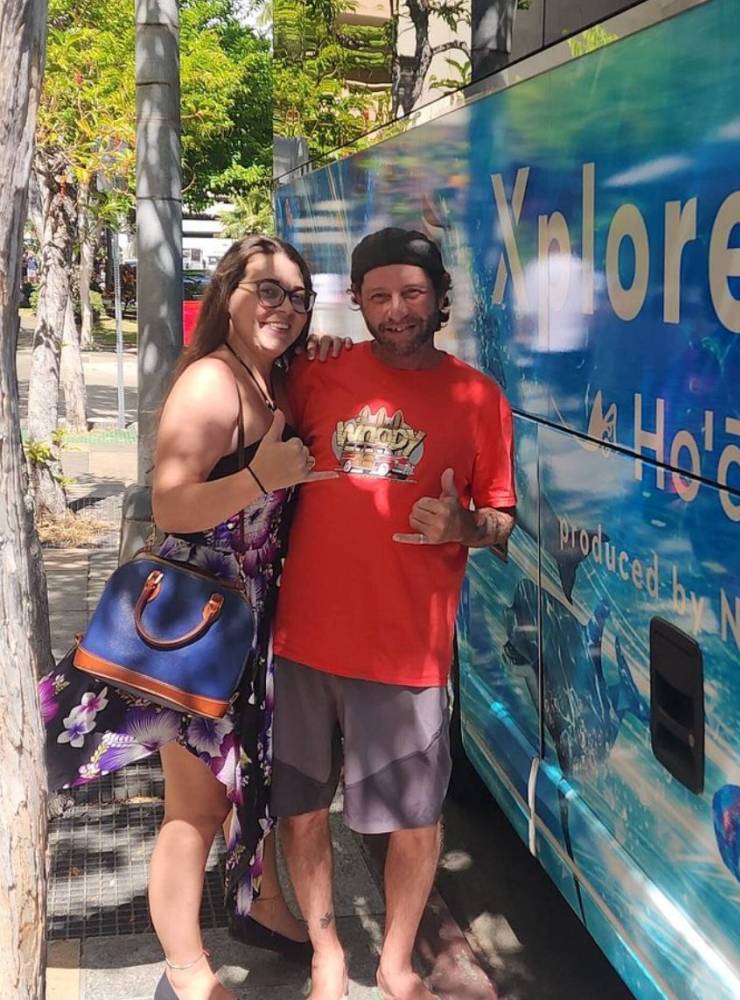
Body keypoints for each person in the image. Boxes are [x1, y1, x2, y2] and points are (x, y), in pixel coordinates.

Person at [39, 235, 337, 1000]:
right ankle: (185, 973)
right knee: (195, 808)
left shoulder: (266, 380)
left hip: (246, 628)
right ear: (228, 291)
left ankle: (263, 909)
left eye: (298, 296)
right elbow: (171, 503)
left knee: (253, 782)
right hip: (197, 632)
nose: (285, 308)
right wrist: (263, 476)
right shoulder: (212, 382)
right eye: (267, 290)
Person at [271, 228, 517, 1000]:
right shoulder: (319, 378)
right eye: (378, 296)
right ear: (358, 302)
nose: (396, 310)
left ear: (440, 298)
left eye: (411, 293)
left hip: (407, 651)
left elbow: (503, 523)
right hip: (304, 640)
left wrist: (468, 527)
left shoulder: (478, 398)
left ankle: (396, 961)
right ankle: (327, 958)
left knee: (413, 821)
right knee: (304, 811)